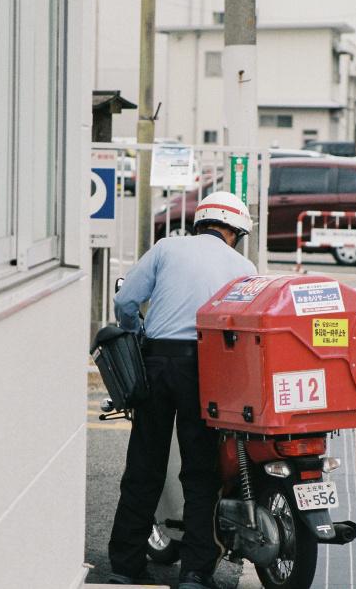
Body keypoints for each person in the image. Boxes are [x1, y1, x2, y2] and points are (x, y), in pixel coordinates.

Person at [106, 192, 257, 589]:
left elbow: (126, 300)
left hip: (155, 362)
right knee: (200, 471)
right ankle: (194, 571)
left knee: (143, 465)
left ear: (200, 222)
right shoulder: (244, 266)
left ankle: (124, 564)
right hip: (205, 367)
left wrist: (138, 331)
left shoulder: (166, 247)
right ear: (235, 231)